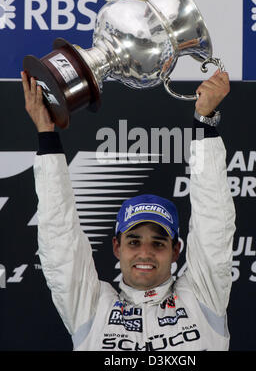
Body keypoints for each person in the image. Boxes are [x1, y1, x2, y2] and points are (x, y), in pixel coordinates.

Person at [21, 69, 236, 351]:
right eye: (133, 241)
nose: (145, 253)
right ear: (116, 247)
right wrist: (46, 135)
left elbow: (213, 220)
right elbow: (59, 237)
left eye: (158, 243)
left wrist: (205, 121)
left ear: (175, 250)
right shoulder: (92, 308)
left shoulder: (200, 297)